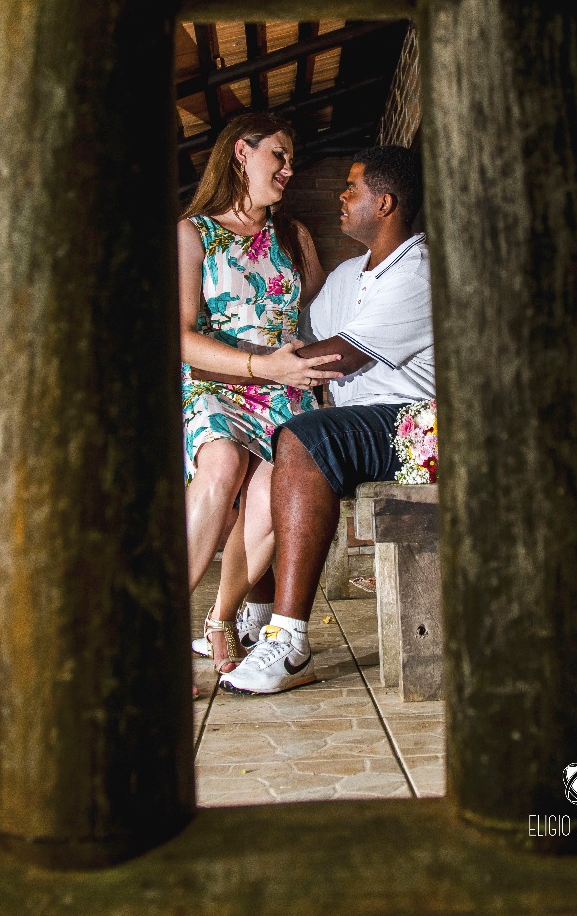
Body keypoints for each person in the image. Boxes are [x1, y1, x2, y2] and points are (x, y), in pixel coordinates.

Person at [221, 144, 435, 695]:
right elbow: (295, 342)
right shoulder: (346, 275)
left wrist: (243, 370)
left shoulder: (418, 271)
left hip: (419, 427)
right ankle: (258, 610)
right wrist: (232, 361)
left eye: (352, 188)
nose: (342, 197)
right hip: (367, 424)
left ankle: (289, 641)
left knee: (305, 436)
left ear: (384, 204)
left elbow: (338, 357)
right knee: (249, 444)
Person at [178, 111, 342, 690]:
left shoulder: (295, 237)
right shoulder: (193, 233)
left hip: (285, 391)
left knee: (278, 490)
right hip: (216, 382)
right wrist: (259, 364)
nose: (289, 167)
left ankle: (221, 618)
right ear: (241, 153)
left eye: (291, 157)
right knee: (222, 464)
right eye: (280, 154)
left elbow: (314, 304)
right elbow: (181, 336)